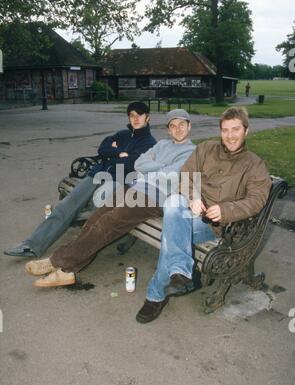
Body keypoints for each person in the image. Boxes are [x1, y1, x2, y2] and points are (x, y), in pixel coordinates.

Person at [24, 109, 196, 288]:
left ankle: (56, 261)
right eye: (173, 126)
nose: (177, 129)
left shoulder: (192, 151)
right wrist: (160, 166)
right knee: (95, 218)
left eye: (182, 125)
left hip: (154, 197)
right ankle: (68, 271)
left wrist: (153, 167)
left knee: (108, 223)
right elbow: (139, 163)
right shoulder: (162, 144)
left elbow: (171, 175)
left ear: (189, 126)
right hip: (134, 186)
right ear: (168, 130)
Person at [136, 106, 272, 324]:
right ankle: (180, 272)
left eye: (235, 129)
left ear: (246, 131)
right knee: (173, 203)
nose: (230, 135)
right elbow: (185, 176)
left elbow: (256, 200)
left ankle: (156, 294)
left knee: (171, 233)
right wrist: (192, 196)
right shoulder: (206, 149)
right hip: (190, 211)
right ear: (220, 131)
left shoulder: (254, 165)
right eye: (225, 130)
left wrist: (226, 210)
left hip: (214, 225)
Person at [4, 102, 155, 258]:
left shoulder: (150, 143)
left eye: (140, 115)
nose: (135, 119)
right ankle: (32, 245)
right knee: (65, 206)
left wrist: (114, 155)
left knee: (98, 213)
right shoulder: (122, 134)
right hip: (96, 174)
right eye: (132, 115)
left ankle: (75, 245)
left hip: (118, 182)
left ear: (147, 117)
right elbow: (102, 148)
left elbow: (131, 164)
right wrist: (118, 154)